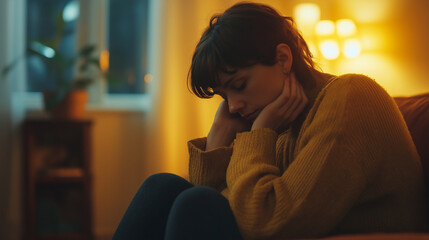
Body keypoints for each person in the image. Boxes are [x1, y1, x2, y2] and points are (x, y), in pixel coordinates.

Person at [114, 2, 427, 240]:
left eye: (239, 86)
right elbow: (221, 194)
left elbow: (266, 220)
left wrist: (261, 132)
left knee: (196, 203)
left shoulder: (351, 98)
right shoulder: (277, 115)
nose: (233, 107)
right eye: (224, 96)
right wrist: (219, 136)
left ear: (283, 59)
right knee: (162, 186)